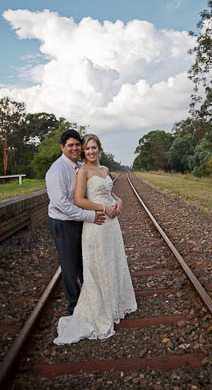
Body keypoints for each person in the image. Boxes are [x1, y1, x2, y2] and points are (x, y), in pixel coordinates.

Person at [54, 133, 137, 344]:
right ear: (84, 151)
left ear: (99, 149)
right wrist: (103, 208)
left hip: (112, 225)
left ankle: (115, 303)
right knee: (99, 264)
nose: (90, 152)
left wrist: (118, 201)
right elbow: (79, 200)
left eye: (93, 148)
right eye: (87, 149)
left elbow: (108, 192)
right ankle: (101, 308)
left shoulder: (105, 170)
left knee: (112, 261)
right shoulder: (83, 171)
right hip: (97, 224)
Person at [45, 129, 106, 315]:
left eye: (77, 145)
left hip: (78, 219)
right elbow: (61, 204)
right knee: (69, 264)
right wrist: (89, 216)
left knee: (83, 259)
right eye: (70, 145)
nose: (75, 148)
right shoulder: (56, 170)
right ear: (62, 147)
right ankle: (74, 305)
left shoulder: (80, 166)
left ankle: (89, 297)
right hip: (63, 222)